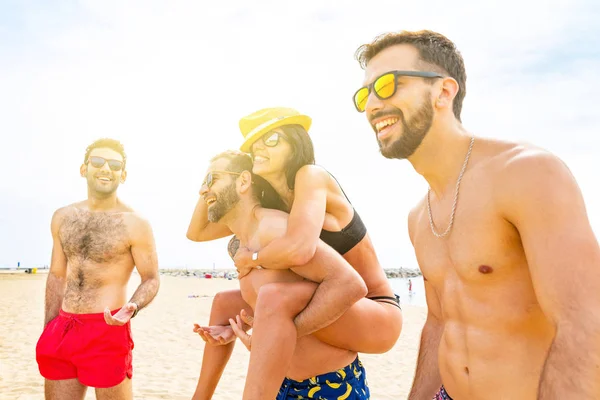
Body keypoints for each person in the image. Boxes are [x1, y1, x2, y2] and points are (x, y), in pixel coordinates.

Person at [353, 29, 600, 399]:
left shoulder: (526, 173)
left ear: (443, 91)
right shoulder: (419, 217)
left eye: (388, 85)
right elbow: (439, 323)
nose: (372, 104)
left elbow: (585, 322)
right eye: (364, 94)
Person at [187, 107, 402, 399]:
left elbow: (301, 251)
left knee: (275, 298)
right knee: (225, 302)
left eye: (271, 139)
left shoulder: (310, 177)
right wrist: (209, 180)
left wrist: (253, 261)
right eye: (254, 145)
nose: (259, 147)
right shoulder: (271, 207)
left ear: (295, 143)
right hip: (334, 299)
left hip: (374, 309)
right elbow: (197, 232)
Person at [198, 150, 370, 399]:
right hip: (282, 385)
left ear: (244, 181)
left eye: (212, 179)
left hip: (329, 386)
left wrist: (264, 341)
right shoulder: (238, 246)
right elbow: (279, 307)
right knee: (224, 301)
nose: (202, 191)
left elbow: (351, 284)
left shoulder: (275, 228)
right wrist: (238, 331)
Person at [36, 138, 160, 400]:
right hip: (63, 327)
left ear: (123, 175)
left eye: (115, 165)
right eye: (98, 162)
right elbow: (57, 274)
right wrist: (49, 326)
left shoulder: (135, 224)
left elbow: (150, 279)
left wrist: (132, 307)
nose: (106, 169)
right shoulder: (63, 217)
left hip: (107, 329)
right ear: (84, 169)